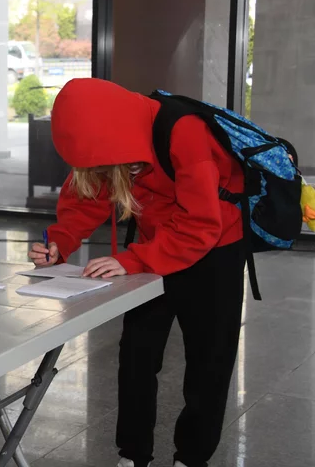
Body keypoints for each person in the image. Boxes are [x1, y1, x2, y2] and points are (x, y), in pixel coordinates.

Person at [28, 79, 246, 467]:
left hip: (215, 251)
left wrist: (134, 261)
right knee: (136, 358)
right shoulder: (107, 136)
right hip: (153, 247)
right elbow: (87, 194)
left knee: (208, 362)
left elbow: (201, 224)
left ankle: (192, 457)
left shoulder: (185, 132)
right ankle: (132, 455)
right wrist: (60, 241)